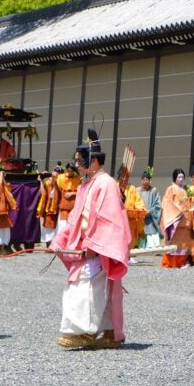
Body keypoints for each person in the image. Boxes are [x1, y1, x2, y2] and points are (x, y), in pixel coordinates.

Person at [51, 129, 130, 349]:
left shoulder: (106, 183)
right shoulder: (86, 184)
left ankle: (82, 331)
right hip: (86, 246)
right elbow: (75, 221)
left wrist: (96, 246)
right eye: (75, 160)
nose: (76, 164)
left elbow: (110, 221)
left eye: (79, 160)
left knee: (83, 285)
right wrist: (59, 241)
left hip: (99, 248)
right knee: (97, 287)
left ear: (93, 161)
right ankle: (109, 332)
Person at [160, 168, 194, 268]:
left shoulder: (187, 189)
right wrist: (177, 209)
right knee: (175, 242)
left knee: (184, 243)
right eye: (179, 177)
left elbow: (192, 202)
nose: (181, 179)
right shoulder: (171, 189)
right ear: (175, 178)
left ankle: (182, 262)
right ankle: (171, 262)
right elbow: (167, 202)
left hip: (186, 219)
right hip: (176, 219)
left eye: (182, 177)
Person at [119, 166, 147, 252]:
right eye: (122, 176)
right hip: (118, 219)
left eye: (126, 176)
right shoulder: (114, 186)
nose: (124, 179)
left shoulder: (132, 188)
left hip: (130, 219)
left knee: (130, 238)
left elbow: (138, 202)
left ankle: (129, 255)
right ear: (119, 176)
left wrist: (140, 208)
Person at [137, 169, 163, 248]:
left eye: (147, 179)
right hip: (140, 217)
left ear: (150, 180)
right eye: (144, 180)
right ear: (141, 180)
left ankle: (153, 246)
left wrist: (150, 211)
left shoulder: (153, 191)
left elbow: (158, 205)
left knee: (153, 237)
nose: (145, 181)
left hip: (151, 218)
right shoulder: (137, 191)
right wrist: (140, 211)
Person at [56, 164, 82, 236]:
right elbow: (56, 192)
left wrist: (73, 193)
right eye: (69, 170)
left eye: (72, 171)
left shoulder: (78, 179)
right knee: (62, 227)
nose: (70, 172)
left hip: (74, 207)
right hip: (63, 206)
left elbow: (82, 192)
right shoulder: (60, 177)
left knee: (72, 227)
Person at [37, 168, 61, 246]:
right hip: (48, 207)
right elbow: (42, 193)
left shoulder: (61, 183)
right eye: (53, 175)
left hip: (58, 208)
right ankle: (48, 245)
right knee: (48, 226)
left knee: (57, 226)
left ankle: (55, 245)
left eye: (56, 175)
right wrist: (40, 181)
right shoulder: (47, 182)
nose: (53, 177)